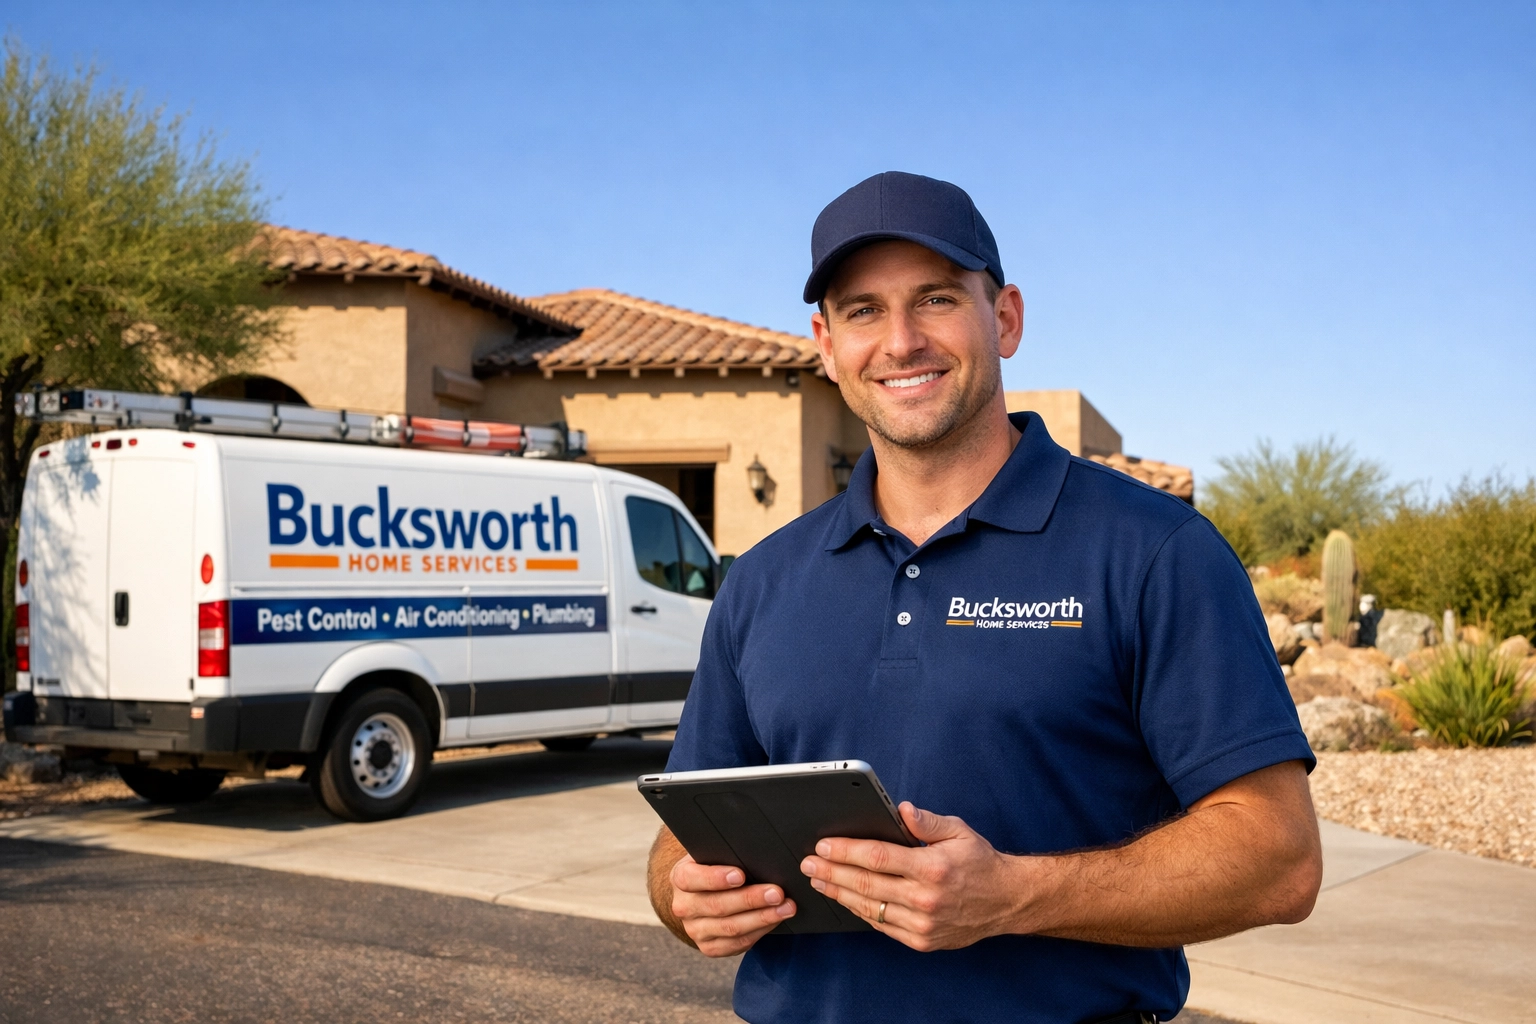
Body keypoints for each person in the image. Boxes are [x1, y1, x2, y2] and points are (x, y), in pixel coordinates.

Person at [646, 171, 1322, 1024]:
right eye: (862, 311)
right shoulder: (763, 581)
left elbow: (1280, 857)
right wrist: (687, 898)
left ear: (1004, 319)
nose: (899, 342)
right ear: (825, 342)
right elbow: (677, 839)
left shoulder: (1155, 552)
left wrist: (1013, 895)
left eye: (934, 299)